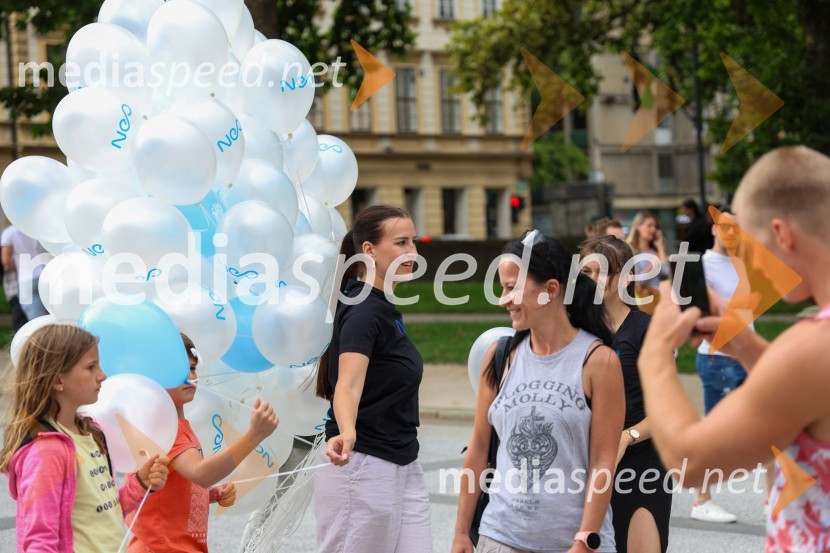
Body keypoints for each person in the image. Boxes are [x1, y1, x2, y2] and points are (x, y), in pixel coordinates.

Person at [638, 146, 830, 551]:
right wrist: (745, 343)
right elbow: (809, 394)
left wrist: (653, 355)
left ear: (781, 234)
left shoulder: (813, 346)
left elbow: (691, 463)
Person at [452, 230, 625, 553]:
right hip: (499, 537)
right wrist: (462, 532)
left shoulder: (598, 362)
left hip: (572, 544)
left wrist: (585, 541)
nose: (504, 299)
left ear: (550, 290)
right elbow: (478, 448)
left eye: (511, 288)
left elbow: (603, 462)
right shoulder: (500, 356)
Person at [314, 205, 431, 552]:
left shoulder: (381, 306)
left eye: (413, 241)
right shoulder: (363, 309)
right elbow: (347, 383)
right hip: (363, 464)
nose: (413, 251)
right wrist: (347, 430)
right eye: (401, 243)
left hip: (402, 459)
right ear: (369, 250)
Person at [0, 324, 170, 552]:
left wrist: (140, 483)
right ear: (58, 380)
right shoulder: (48, 451)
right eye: (91, 367)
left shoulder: (91, 432)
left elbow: (102, 510)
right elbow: (39, 538)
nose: (102, 375)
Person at [127, 334, 279, 552]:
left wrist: (209, 495)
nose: (190, 376)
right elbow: (201, 473)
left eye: (193, 368)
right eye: (179, 370)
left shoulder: (178, 424)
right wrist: (254, 436)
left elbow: (176, 488)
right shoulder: (165, 427)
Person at [580, 236, 671, 553]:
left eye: (602, 272)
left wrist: (626, 437)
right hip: (584, 464)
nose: (593, 281)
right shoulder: (575, 332)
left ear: (628, 275)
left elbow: (669, 411)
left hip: (641, 463)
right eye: (586, 273)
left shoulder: (648, 329)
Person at [690, 209, 754, 523]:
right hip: (718, 358)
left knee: (767, 430)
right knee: (714, 435)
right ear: (715, 228)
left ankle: (774, 499)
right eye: (727, 227)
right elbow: (702, 313)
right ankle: (701, 500)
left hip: (746, 357)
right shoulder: (702, 265)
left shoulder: (740, 263)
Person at [0, 224, 49, 321]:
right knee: (51, 314)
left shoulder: (9, 232)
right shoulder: (39, 229)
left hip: (26, 278)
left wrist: (15, 267)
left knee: (36, 321)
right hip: (45, 275)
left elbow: (5, 260)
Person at [627, 211, 669, 315]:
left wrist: (660, 247)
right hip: (642, 305)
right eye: (649, 225)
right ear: (638, 226)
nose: (653, 229)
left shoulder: (655, 251)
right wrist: (652, 264)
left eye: (655, 226)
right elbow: (636, 282)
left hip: (659, 301)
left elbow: (667, 272)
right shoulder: (630, 251)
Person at [1, 225, 28, 332]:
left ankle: (19, 345)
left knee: (19, 317)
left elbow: (5, 260)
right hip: (39, 276)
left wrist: (18, 269)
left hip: (18, 281)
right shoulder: (36, 229)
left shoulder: (9, 233)